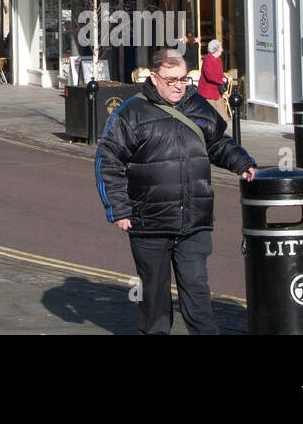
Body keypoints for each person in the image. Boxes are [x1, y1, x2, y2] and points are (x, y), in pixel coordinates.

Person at [96, 48, 257, 334]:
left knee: (197, 292)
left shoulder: (197, 105)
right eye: (171, 80)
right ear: (154, 77)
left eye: (183, 78)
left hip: (193, 220)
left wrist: (242, 163)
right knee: (155, 296)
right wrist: (118, 209)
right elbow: (108, 161)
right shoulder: (131, 112)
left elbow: (218, 143)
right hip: (149, 222)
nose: (179, 85)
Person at [197, 39, 230, 124]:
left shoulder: (218, 59)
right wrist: (221, 80)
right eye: (221, 48)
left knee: (222, 117)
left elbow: (219, 72)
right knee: (210, 118)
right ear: (216, 49)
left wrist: (224, 77)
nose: (222, 50)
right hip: (208, 93)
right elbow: (210, 76)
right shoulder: (208, 59)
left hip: (216, 92)